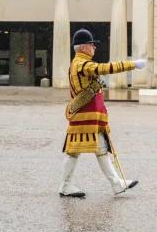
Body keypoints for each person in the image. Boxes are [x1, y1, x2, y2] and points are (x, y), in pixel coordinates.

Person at [59, 28, 144, 197]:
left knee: (85, 150)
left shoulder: (77, 62)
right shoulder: (82, 64)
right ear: (83, 47)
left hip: (86, 116)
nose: (94, 48)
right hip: (86, 117)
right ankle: (69, 186)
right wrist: (132, 64)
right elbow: (106, 68)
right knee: (87, 150)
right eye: (91, 45)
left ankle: (112, 184)